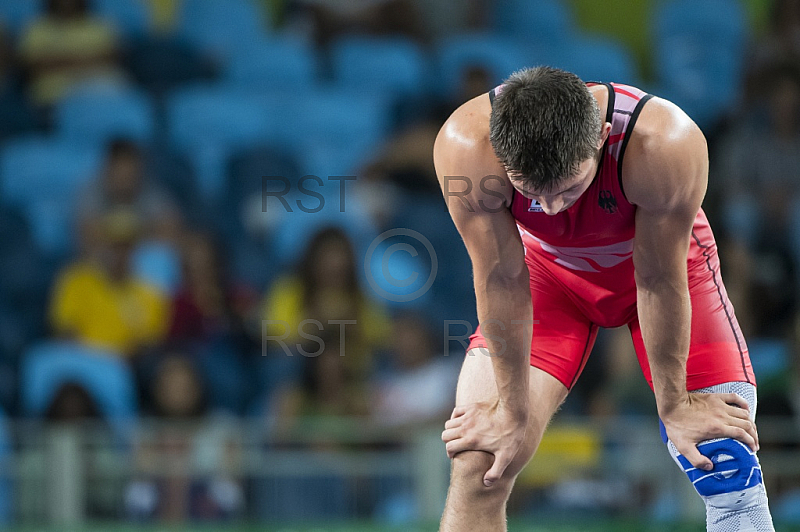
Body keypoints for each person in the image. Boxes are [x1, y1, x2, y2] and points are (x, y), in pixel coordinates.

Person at [433, 66, 774, 531]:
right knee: (480, 465)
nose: (554, 209)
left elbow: (657, 278)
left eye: (571, 189)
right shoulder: (466, 149)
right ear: (499, 152)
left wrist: (676, 405)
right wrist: (512, 411)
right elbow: (501, 279)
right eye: (532, 193)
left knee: (722, 460)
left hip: (660, 272)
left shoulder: (664, 143)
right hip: (544, 277)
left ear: (602, 134)